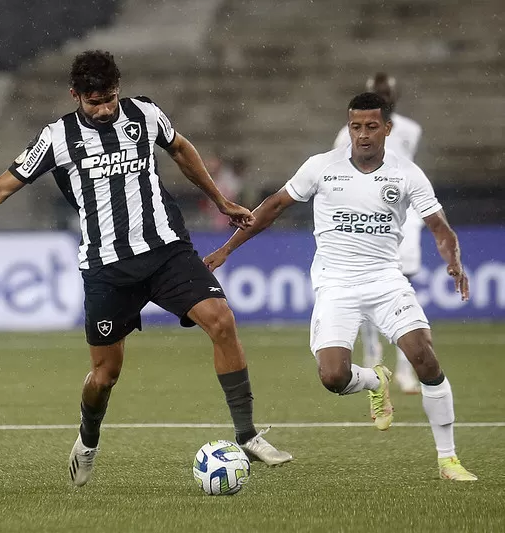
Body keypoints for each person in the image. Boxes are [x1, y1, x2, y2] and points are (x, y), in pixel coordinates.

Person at [0, 50, 292, 487]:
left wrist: (220, 200)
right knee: (105, 375)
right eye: (94, 102)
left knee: (221, 320)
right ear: (75, 95)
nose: (104, 110)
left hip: (166, 250)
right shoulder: (58, 137)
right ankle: (88, 438)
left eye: (110, 100)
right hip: (107, 267)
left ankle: (247, 434)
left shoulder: (143, 114)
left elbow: (180, 148)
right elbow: (2, 187)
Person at [204, 92, 476, 481]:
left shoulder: (407, 173)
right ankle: (375, 379)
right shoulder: (321, 167)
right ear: (348, 127)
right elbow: (273, 207)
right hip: (336, 283)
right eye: (355, 127)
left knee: (424, 357)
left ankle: (448, 459)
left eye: (371, 126)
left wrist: (453, 257)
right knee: (333, 377)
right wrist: (227, 249)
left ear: (387, 128)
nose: (362, 135)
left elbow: (440, 227)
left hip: (385, 279)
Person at [333, 73, 423, 393]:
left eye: (389, 92)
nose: (385, 96)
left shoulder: (411, 130)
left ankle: (405, 368)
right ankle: (373, 357)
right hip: (367, 220)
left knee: (404, 292)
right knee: (369, 291)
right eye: (379, 92)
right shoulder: (347, 134)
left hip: (405, 220)